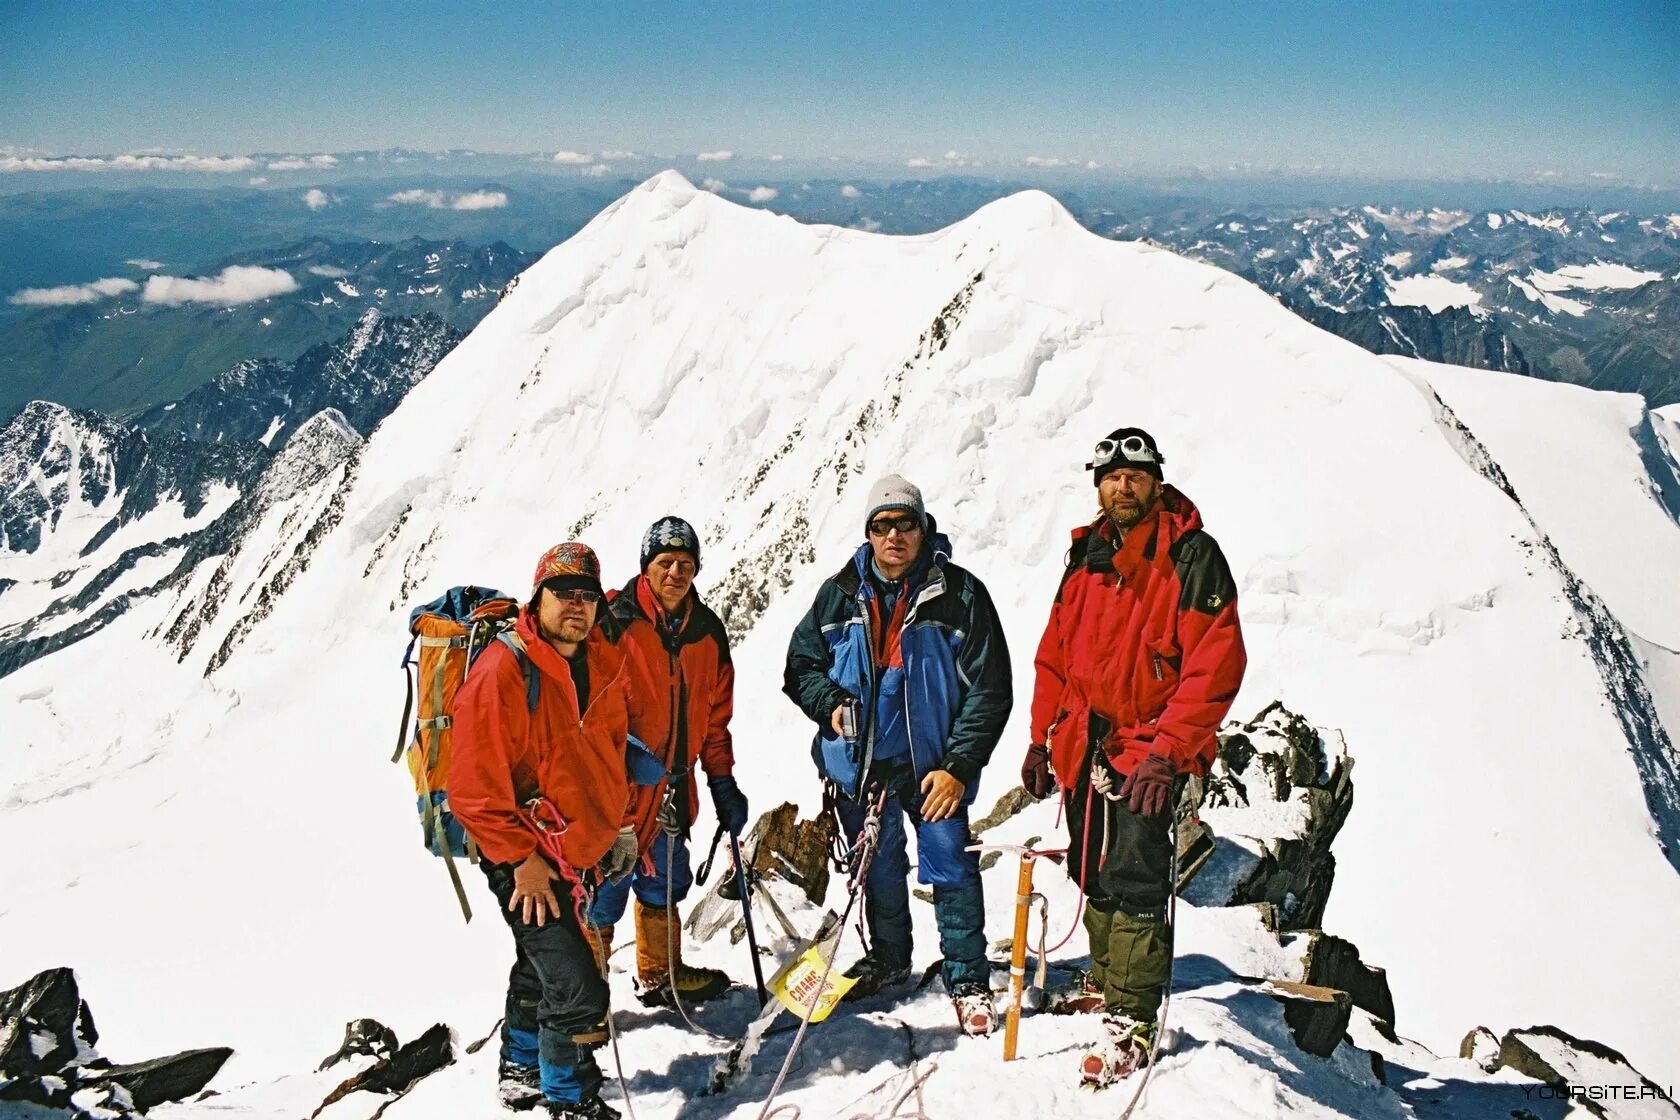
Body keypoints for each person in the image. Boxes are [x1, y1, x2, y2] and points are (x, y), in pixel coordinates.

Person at [1022, 428, 1246, 1086]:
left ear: (1157, 482)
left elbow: (1214, 663)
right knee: (1094, 870)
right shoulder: (1086, 556)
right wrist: (1041, 738)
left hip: (1150, 745)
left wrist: (1169, 753)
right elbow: (1056, 654)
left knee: (1139, 875)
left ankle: (1133, 1017)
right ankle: (1106, 977)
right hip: (1085, 739)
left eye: (1137, 475)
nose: (1125, 485)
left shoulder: (1192, 556)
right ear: (1098, 484)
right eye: (1113, 475)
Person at [783, 475, 1013, 1037]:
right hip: (862, 767)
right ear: (868, 534)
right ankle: (890, 959)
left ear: (922, 528)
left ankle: (967, 978)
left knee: (950, 863)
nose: (894, 535)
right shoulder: (838, 594)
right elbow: (800, 667)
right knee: (878, 867)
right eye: (881, 526)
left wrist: (959, 766)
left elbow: (990, 689)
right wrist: (831, 704)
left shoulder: (959, 595)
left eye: (904, 524)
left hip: (933, 766)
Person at [450, 541, 638, 1120]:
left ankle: (520, 1065)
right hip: (523, 855)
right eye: (564, 593)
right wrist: (520, 863)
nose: (576, 605)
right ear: (540, 595)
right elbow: (472, 791)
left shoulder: (603, 663)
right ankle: (570, 1098)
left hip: (574, 847)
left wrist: (620, 827)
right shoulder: (503, 670)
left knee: (541, 964)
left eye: (587, 594)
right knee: (579, 988)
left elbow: (610, 755)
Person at [589, 515, 747, 1006]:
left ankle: (661, 975)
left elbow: (715, 719)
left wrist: (722, 780)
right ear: (646, 566)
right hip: (616, 785)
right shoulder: (613, 620)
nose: (676, 572)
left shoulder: (706, 631)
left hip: (675, 789)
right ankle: (586, 991)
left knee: (665, 880)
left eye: (686, 563)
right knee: (605, 889)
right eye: (665, 562)